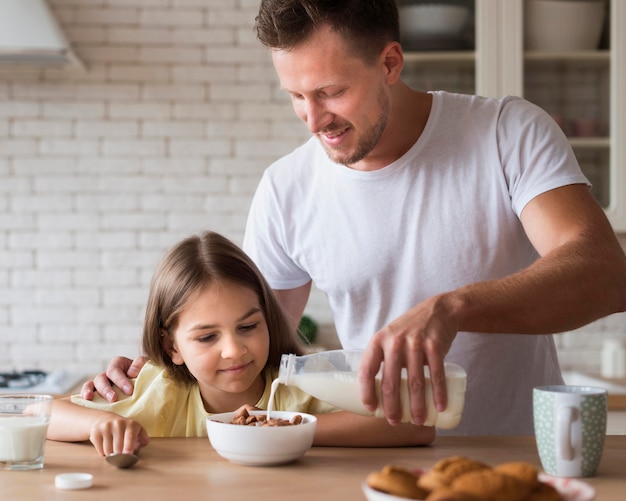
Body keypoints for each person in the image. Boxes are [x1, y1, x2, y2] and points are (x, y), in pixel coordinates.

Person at [82, 0, 626, 436]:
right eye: (295, 95)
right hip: (375, 462)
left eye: (331, 92)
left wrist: (453, 308)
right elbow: (248, 348)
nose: (314, 120)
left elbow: (606, 274)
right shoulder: (286, 187)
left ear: (390, 62)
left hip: (515, 454)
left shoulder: (507, 132)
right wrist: (156, 376)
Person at [48, 231, 434, 456]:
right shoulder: (158, 391)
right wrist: (101, 421)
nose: (233, 350)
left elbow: (418, 428)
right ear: (171, 348)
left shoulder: (300, 388)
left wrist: (290, 430)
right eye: (207, 336)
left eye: (248, 326)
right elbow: (32, 415)